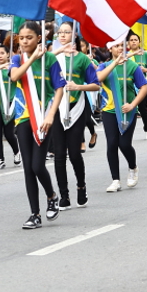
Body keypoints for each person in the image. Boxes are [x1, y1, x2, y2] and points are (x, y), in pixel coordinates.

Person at [9, 21, 65, 229]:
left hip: (44, 118)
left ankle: (51, 196)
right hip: (23, 118)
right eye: (21, 38)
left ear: (38, 38)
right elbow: (15, 76)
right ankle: (35, 214)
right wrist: (31, 58)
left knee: (37, 165)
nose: (24, 41)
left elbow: (59, 88)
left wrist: (51, 114)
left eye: (29, 37)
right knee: (27, 169)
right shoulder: (17, 59)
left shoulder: (50, 59)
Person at [50, 22, 99, 208]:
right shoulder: (53, 58)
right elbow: (40, 61)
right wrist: (60, 50)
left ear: (74, 34)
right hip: (57, 109)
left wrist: (78, 86)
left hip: (76, 109)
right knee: (59, 155)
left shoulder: (82, 59)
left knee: (75, 155)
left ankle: (81, 186)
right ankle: (64, 195)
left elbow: (95, 84)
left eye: (66, 32)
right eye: (60, 32)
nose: (62, 35)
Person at [95, 39, 147, 193]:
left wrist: (133, 104)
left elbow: (143, 87)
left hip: (127, 111)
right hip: (109, 111)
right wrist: (115, 63)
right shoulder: (104, 66)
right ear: (110, 49)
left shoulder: (132, 67)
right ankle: (115, 180)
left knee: (124, 144)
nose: (119, 48)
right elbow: (98, 78)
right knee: (111, 144)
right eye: (115, 46)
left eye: (121, 46)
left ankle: (133, 167)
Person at [0, 45, 21, 170]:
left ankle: (17, 152)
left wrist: (10, 67)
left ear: (8, 54)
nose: (0, 55)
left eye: (2, 53)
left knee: (9, 133)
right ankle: (0, 159)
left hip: (10, 104)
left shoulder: (14, 68)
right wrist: (0, 66)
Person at [126, 32, 147, 140]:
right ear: (128, 43)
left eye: (136, 40)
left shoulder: (146, 55)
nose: (134, 42)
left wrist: (145, 69)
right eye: (131, 40)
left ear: (139, 42)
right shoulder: (126, 55)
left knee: (143, 108)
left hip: (141, 86)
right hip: (128, 86)